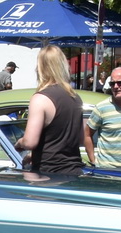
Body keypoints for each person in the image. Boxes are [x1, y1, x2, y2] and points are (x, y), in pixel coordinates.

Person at [16, 45, 85, 179]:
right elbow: (80, 139)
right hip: (74, 173)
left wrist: (19, 142)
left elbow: (30, 142)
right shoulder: (75, 97)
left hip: (48, 175)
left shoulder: (40, 99)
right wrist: (35, 154)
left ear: (40, 68)